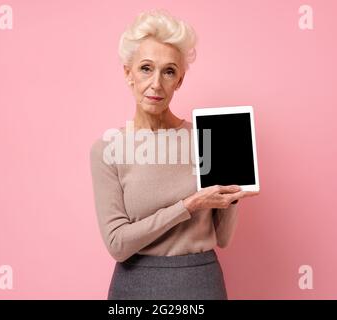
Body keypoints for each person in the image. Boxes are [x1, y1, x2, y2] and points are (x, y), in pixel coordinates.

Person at [89, 9, 259, 300]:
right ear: (127, 73)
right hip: (135, 287)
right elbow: (117, 244)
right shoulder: (108, 150)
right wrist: (188, 205)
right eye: (145, 68)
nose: (156, 84)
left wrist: (234, 194)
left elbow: (223, 238)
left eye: (168, 71)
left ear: (179, 80)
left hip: (201, 282)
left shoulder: (209, 139)